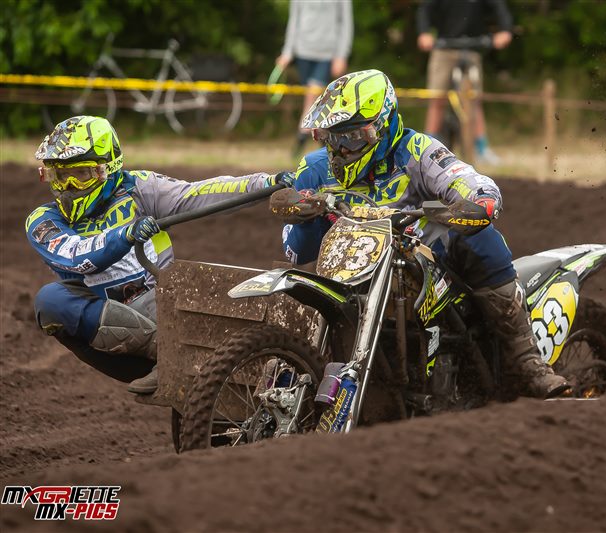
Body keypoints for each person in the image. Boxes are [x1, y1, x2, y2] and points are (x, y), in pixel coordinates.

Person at [270, 70, 568, 398]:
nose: (339, 150)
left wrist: (480, 199)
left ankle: (528, 360)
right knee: (300, 277)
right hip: (347, 266)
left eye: (350, 138)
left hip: (414, 260)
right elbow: (297, 252)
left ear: (381, 127)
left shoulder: (416, 150)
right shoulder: (315, 168)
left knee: (478, 236)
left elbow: (463, 177)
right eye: (330, 137)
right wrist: (303, 213)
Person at [27, 116, 288, 394]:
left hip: (161, 303)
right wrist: (126, 234)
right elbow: (77, 257)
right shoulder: (42, 221)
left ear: (107, 169)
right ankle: (174, 355)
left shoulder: (138, 188)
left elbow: (198, 194)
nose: (67, 188)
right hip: (112, 343)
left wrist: (267, 182)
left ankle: (272, 373)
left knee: (214, 293)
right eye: (59, 177)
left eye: (79, 176)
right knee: (50, 300)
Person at [416, 0, 513, 165]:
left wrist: (505, 31)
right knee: (437, 99)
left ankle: (481, 148)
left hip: (472, 49)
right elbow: (425, 9)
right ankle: (425, 149)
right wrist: (424, 33)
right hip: (444, 49)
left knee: (474, 100)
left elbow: (499, 7)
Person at [276, 0, 353, 157]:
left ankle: (302, 135)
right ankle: (324, 146)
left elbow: (346, 23)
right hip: (303, 52)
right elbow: (294, 20)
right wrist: (287, 52)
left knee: (312, 97)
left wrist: (341, 55)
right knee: (315, 99)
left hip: (327, 54)